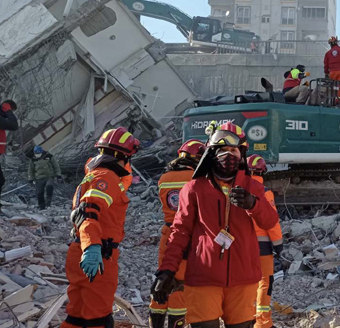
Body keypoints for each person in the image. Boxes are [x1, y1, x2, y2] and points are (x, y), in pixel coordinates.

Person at [152, 123, 279, 328]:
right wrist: (167, 270)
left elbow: (270, 221)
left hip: (243, 280)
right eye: (222, 150)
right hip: (203, 278)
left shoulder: (253, 188)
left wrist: (253, 204)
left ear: (242, 154)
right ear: (212, 153)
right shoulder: (194, 189)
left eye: (233, 150)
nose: (228, 155)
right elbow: (180, 232)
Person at [62, 127, 140, 328]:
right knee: (97, 319)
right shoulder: (106, 177)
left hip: (81, 249)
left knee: (77, 316)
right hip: (98, 254)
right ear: (125, 157)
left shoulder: (95, 174)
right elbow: (89, 212)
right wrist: (92, 247)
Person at [148, 140, 206, 328]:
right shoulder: (197, 178)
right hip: (187, 235)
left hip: (167, 233)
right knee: (180, 284)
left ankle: (155, 320)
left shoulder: (164, 178)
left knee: (163, 279)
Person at [247, 155, 283, 328]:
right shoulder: (264, 192)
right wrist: (278, 244)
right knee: (265, 282)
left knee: (245, 283)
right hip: (262, 247)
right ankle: (263, 322)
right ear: (262, 172)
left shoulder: (234, 190)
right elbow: (272, 221)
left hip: (240, 246)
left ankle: (244, 318)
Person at [28, 145, 62, 210]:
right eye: (36, 154)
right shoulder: (33, 160)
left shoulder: (49, 156)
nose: (37, 155)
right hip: (39, 178)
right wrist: (30, 179)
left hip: (49, 176)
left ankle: (48, 203)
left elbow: (56, 166)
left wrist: (58, 175)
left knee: (49, 187)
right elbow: (31, 170)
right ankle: (41, 206)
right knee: (39, 193)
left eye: (38, 153)